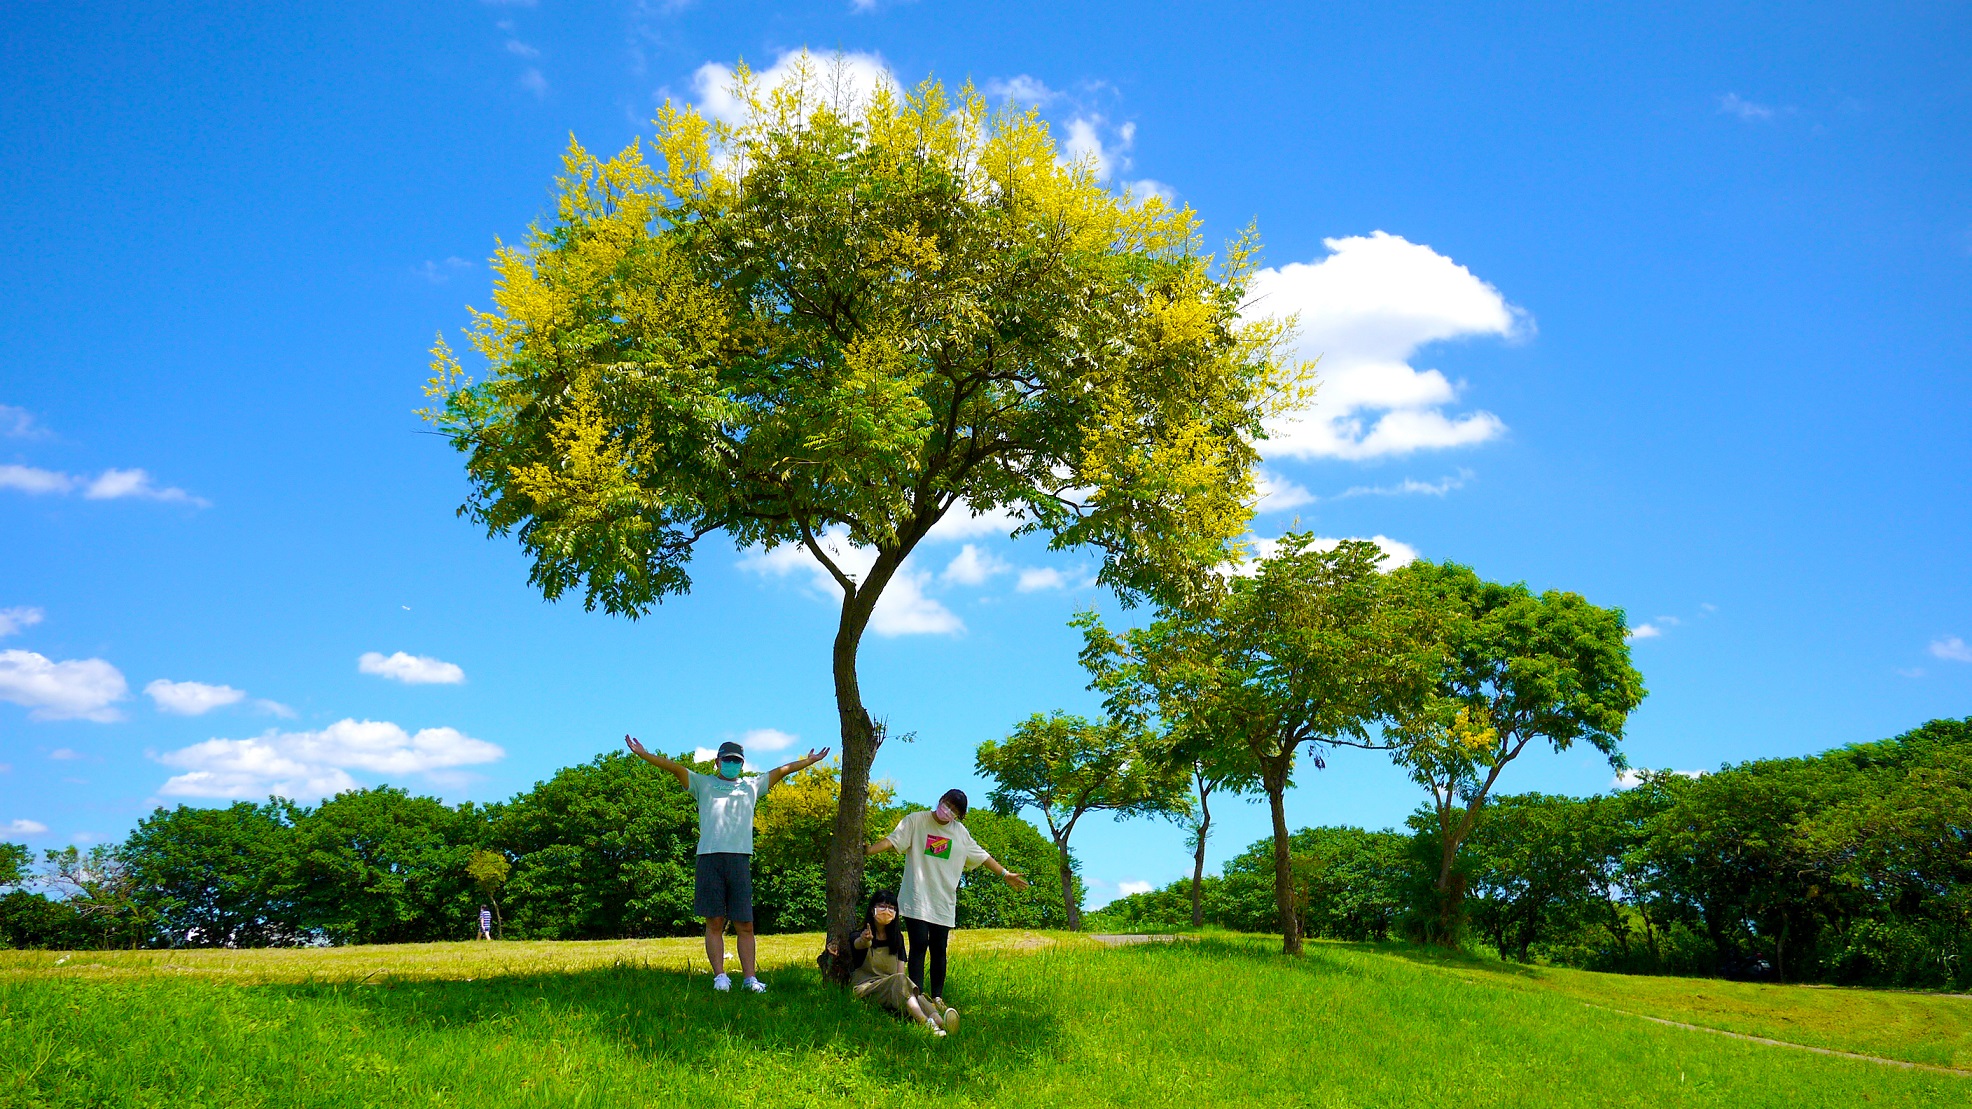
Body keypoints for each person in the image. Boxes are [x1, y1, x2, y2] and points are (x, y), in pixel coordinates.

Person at [625, 733, 829, 993]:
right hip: (709, 858)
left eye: (736, 761)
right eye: (727, 759)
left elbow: (782, 771)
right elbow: (673, 767)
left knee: (745, 924)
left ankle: (750, 979)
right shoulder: (702, 783)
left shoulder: (751, 786)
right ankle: (720, 976)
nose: (731, 764)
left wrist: (809, 761)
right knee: (714, 921)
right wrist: (643, 754)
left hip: (740, 859)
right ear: (717, 761)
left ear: (742, 764)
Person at [865, 788, 1027, 1021]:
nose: (947, 810)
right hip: (917, 897)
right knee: (919, 944)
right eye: (947, 804)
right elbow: (893, 841)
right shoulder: (916, 820)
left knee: (940, 948)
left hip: (943, 901)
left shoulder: (960, 833)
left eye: (954, 810)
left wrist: (1005, 874)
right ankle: (917, 993)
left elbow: (982, 856)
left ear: (958, 815)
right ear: (940, 800)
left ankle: (938, 997)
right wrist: (868, 850)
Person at [827, 890, 949, 1035]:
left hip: (892, 987)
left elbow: (900, 973)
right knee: (900, 981)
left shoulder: (897, 939)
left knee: (917, 994)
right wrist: (865, 940)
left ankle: (942, 1022)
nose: (887, 911)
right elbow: (859, 944)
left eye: (891, 908)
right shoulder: (858, 935)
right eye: (882, 906)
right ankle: (925, 1023)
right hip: (867, 987)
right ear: (873, 910)